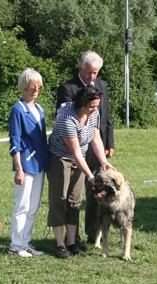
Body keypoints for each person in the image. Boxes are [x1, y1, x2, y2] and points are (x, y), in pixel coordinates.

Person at [47, 86, 114, 259]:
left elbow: (95, 137)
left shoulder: (93, 114)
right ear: (82, 103)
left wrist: (104, 162)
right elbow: (75, 153)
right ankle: (60, 245)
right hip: (60, 158)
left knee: (75, 200)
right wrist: (91, 177)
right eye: (92, 106)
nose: (95, 110)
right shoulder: (66, 119)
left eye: (97, 106)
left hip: (79, 158)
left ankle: (72, 243)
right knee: (59, 199)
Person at [56, 51, 114, 245]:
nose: (92, 77)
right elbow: (66, 122)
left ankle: (93, 233)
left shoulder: (101, 86)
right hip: (72, 146)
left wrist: (109, 146)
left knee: (96, 192)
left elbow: (105, 117)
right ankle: (72, 238)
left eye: (96, 73)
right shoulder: (68, 88)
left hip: (96, 145)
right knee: (73, 194)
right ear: (80, 68)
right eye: (89, 72)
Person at [7, 68, 49, 257]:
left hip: (40, 164)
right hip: (25, 164)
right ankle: (15, 246)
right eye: (33, 85)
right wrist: (18, 169)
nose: (36, 89)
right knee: (22, 206)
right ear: (24, 86)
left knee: (33, 207)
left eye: (38, 86)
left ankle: (26, 242)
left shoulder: (39, 109)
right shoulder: (18, 109)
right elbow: (14, 141)